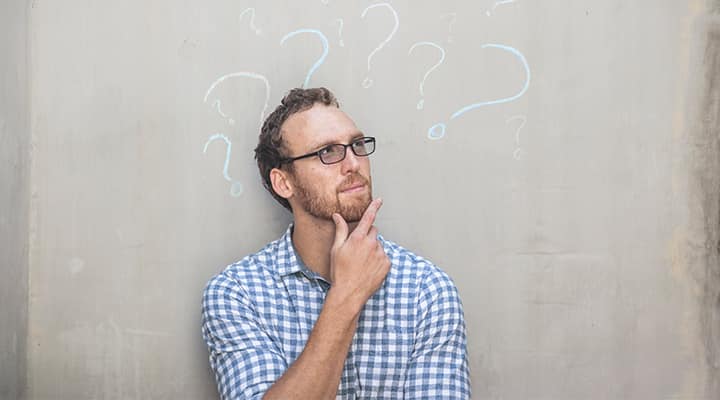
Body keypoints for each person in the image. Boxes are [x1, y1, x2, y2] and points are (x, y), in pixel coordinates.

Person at [201, 87, 470, 399]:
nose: (353, 164)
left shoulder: (427, 290)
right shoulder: (237, 293)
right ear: (284, 182)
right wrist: (346, 296)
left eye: (357, 145)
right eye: (327, 152)